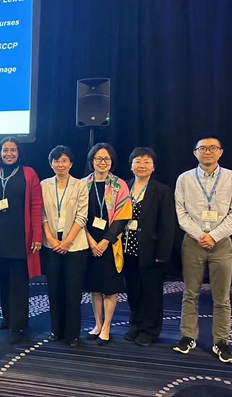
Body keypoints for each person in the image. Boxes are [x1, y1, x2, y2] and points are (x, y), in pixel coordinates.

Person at [173, 135, 232, 363]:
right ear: (195, 153)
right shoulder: (185, 179)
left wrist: (213, 236)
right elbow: (181, 212)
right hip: (192, 242)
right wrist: (200, 235)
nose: (207, 152)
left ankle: (221, 341)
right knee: (190, 292)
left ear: (220, 152)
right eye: (202, 148)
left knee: (222, 297)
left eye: (212, 148)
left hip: (221, 242)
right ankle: (188, 336)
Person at [0, 137, 43, 344]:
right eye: (5, 150)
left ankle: (18, 325)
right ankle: (8, 317)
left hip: (21, 238)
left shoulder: (29, 173)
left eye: (13, 150)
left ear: (19, 153)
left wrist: (37, 235)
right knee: (4, 280)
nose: (9, 154)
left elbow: (37, 205)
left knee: (19, 282)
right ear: (0, 153)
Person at [122, 147, 176, 346]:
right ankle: (136, 324)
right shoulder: (124, 187)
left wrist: (163, 253)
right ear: (131, 166)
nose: (142, 165)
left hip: (151, 250)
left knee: (151, 293)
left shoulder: (161, 191)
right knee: (133, 289)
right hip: (127, 248)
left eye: (146, 162)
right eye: (137, 161)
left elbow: (167, 225)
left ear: (153, 167)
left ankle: (150, 330)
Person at [82, 143, 132, 345]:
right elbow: (78, 215)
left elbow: (124, 216)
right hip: (88, 242)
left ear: (112, 162)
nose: (102, 162)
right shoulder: (83, 184)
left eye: (106, 159)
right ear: (91, 161)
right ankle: (97, 324)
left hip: (111, 242)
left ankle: (107, 327)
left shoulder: (120, 185)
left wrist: (105, 241)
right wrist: (90, 240)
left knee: (109, 288)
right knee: (94, 287)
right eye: (98, 158)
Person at [40, 146, 89, 347]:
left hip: (75, 246)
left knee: (73, 291)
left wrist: (67, 241)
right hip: (51, 245)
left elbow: (82, 216)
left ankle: (72, 334)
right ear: (51, 163)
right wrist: (50, 239)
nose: (60, 164)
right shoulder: (44, 185)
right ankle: (56, 330)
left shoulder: (80, 185)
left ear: (71, 163)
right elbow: (41, 214)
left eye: (64, 160)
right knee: (54, 289)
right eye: (56, 160)